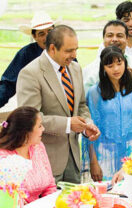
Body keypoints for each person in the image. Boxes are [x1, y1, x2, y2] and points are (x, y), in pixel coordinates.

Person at [16, 25, 100, 184]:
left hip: (74, 160)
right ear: (53, 48)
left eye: (76, 49)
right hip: (45, 161)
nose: (74, 55)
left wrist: (87, 125)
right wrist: (68, 124)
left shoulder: (75, 68)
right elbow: (29, 119)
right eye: (69, 51)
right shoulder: (30, 73)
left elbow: (81, 105)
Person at [81, 46, 132, 181]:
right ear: (103, 68)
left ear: (125, 63)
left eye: (119, 63)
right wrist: (93, 162)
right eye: (110, 65)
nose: (116, 69)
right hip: (104, 153)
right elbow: (90, 130)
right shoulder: (94, 93)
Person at [83, 20, 132, 108]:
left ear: (127, 39)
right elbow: (85, 103)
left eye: (119, 36)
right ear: (103, 39)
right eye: (110, 35)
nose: (114, 39)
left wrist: (131, 85)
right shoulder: (90, 70)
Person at [0, 107, 57, 203]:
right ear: (26, 132)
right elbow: (8, 200)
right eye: (39, 126)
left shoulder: (38, 147)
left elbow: (50, 186)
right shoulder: (4, 158)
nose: (43, 129)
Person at [0, 11, 54, 108]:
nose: (47, 37)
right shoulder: (26, 54)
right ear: (34, 36)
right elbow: (8, 84)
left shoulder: (65, 50)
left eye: (50, 31)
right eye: (41, 34)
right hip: (35, 106)